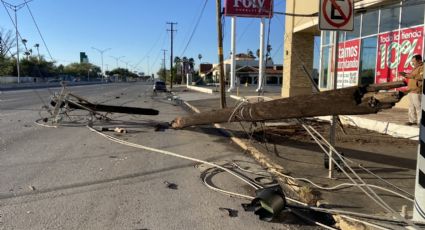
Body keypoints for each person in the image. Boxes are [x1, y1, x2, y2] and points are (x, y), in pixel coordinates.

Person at [399, 54, 424, 126]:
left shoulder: (422, 67)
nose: (413, 63)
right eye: (412, 61)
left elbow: (421, 77)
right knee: (411, 106)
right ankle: (412, 121)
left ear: (419, 60)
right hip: (411, 90)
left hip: (417, 90)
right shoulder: (415, 68)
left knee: (418, 107)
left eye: (414, 61)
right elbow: (413, 77)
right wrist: (406, 75)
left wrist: (410, 75)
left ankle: (420, 122)